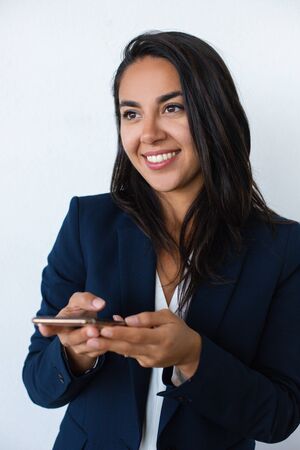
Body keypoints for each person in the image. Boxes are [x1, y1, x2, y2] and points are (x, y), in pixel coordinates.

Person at [23, 31, 300, 450]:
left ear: (214, 114)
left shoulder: (282, 248)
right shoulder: (87, 221)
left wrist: (193, 356)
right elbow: (38, 385)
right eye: (131, 114)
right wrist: (74, 353)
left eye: (172, 108)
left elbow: (279, 416)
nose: (148, 134)